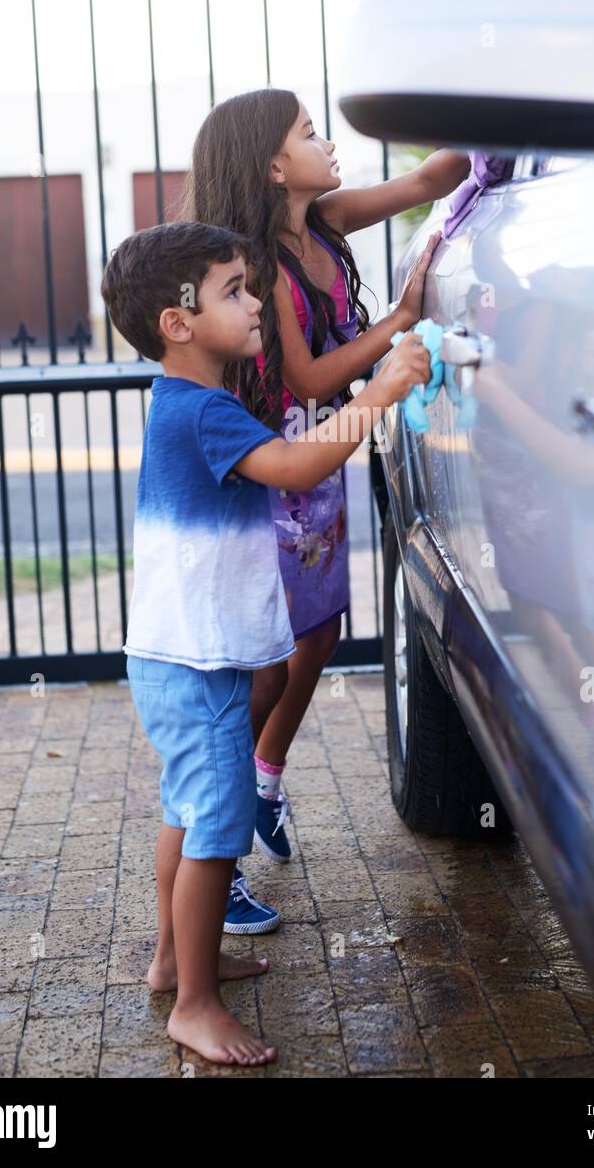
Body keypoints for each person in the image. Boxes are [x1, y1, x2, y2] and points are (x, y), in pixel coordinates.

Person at [100, 219, 432, 1066]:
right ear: (178, 322)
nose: (255, 305)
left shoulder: (187, 403)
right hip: (195, 660)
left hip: (181, 657)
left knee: (188, 810)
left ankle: (178, 962)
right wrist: (378, 392)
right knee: (216, 827)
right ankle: (196, 1006)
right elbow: (294, 468)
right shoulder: (204, 413)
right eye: (234, 292)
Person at [179, 86, 469, 872]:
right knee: (266, 668)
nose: (329, 144)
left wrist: (484, 127)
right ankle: (221, 848)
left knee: (321, 631)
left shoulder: (327, 221)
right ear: (275, 166)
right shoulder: (263, 264)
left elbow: (429, 181)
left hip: (320, 467)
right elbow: (305, 380)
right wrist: (396, 325)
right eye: (311, 133)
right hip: (280, 474)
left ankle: (263, 783)